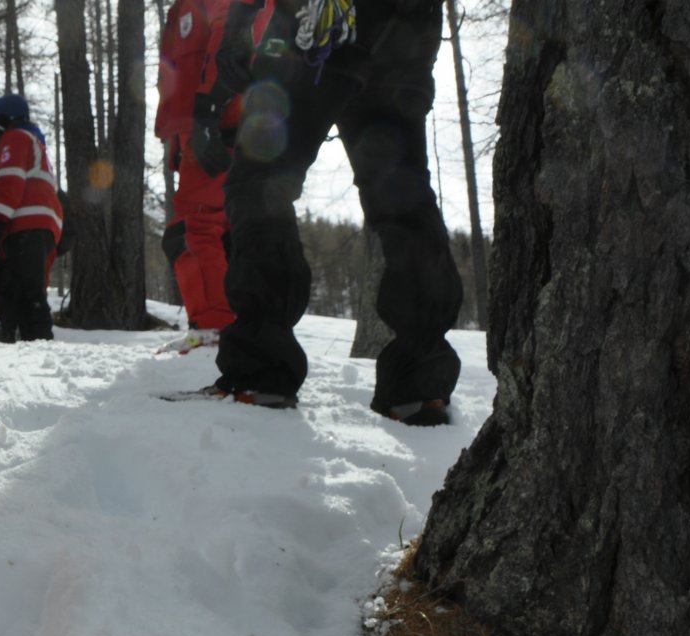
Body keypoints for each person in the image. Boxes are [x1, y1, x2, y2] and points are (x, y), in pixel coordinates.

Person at [191, 0, 462, 422]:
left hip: (321, 21)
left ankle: (260, 373)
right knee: (404, 201)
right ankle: (420, 383)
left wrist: (239, 26)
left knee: (259, 180)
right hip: (410, 28)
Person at [155, 0, 238, 354]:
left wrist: (211, 113)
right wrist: (176, 139)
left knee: (193, 229)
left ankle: (215, 332)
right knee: (223, 232)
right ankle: (228, 330)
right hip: (200, 130)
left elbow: (234, 34)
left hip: (219, 125)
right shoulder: (181, 10)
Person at [0, 93, 63, 343]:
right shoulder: (31, 140)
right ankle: (27, 344)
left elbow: (10, 184)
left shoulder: (15, 138)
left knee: (29, 292)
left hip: (27, 224)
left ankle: (41, 347)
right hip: (38, 224)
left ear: (5, 117)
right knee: (21, 289)